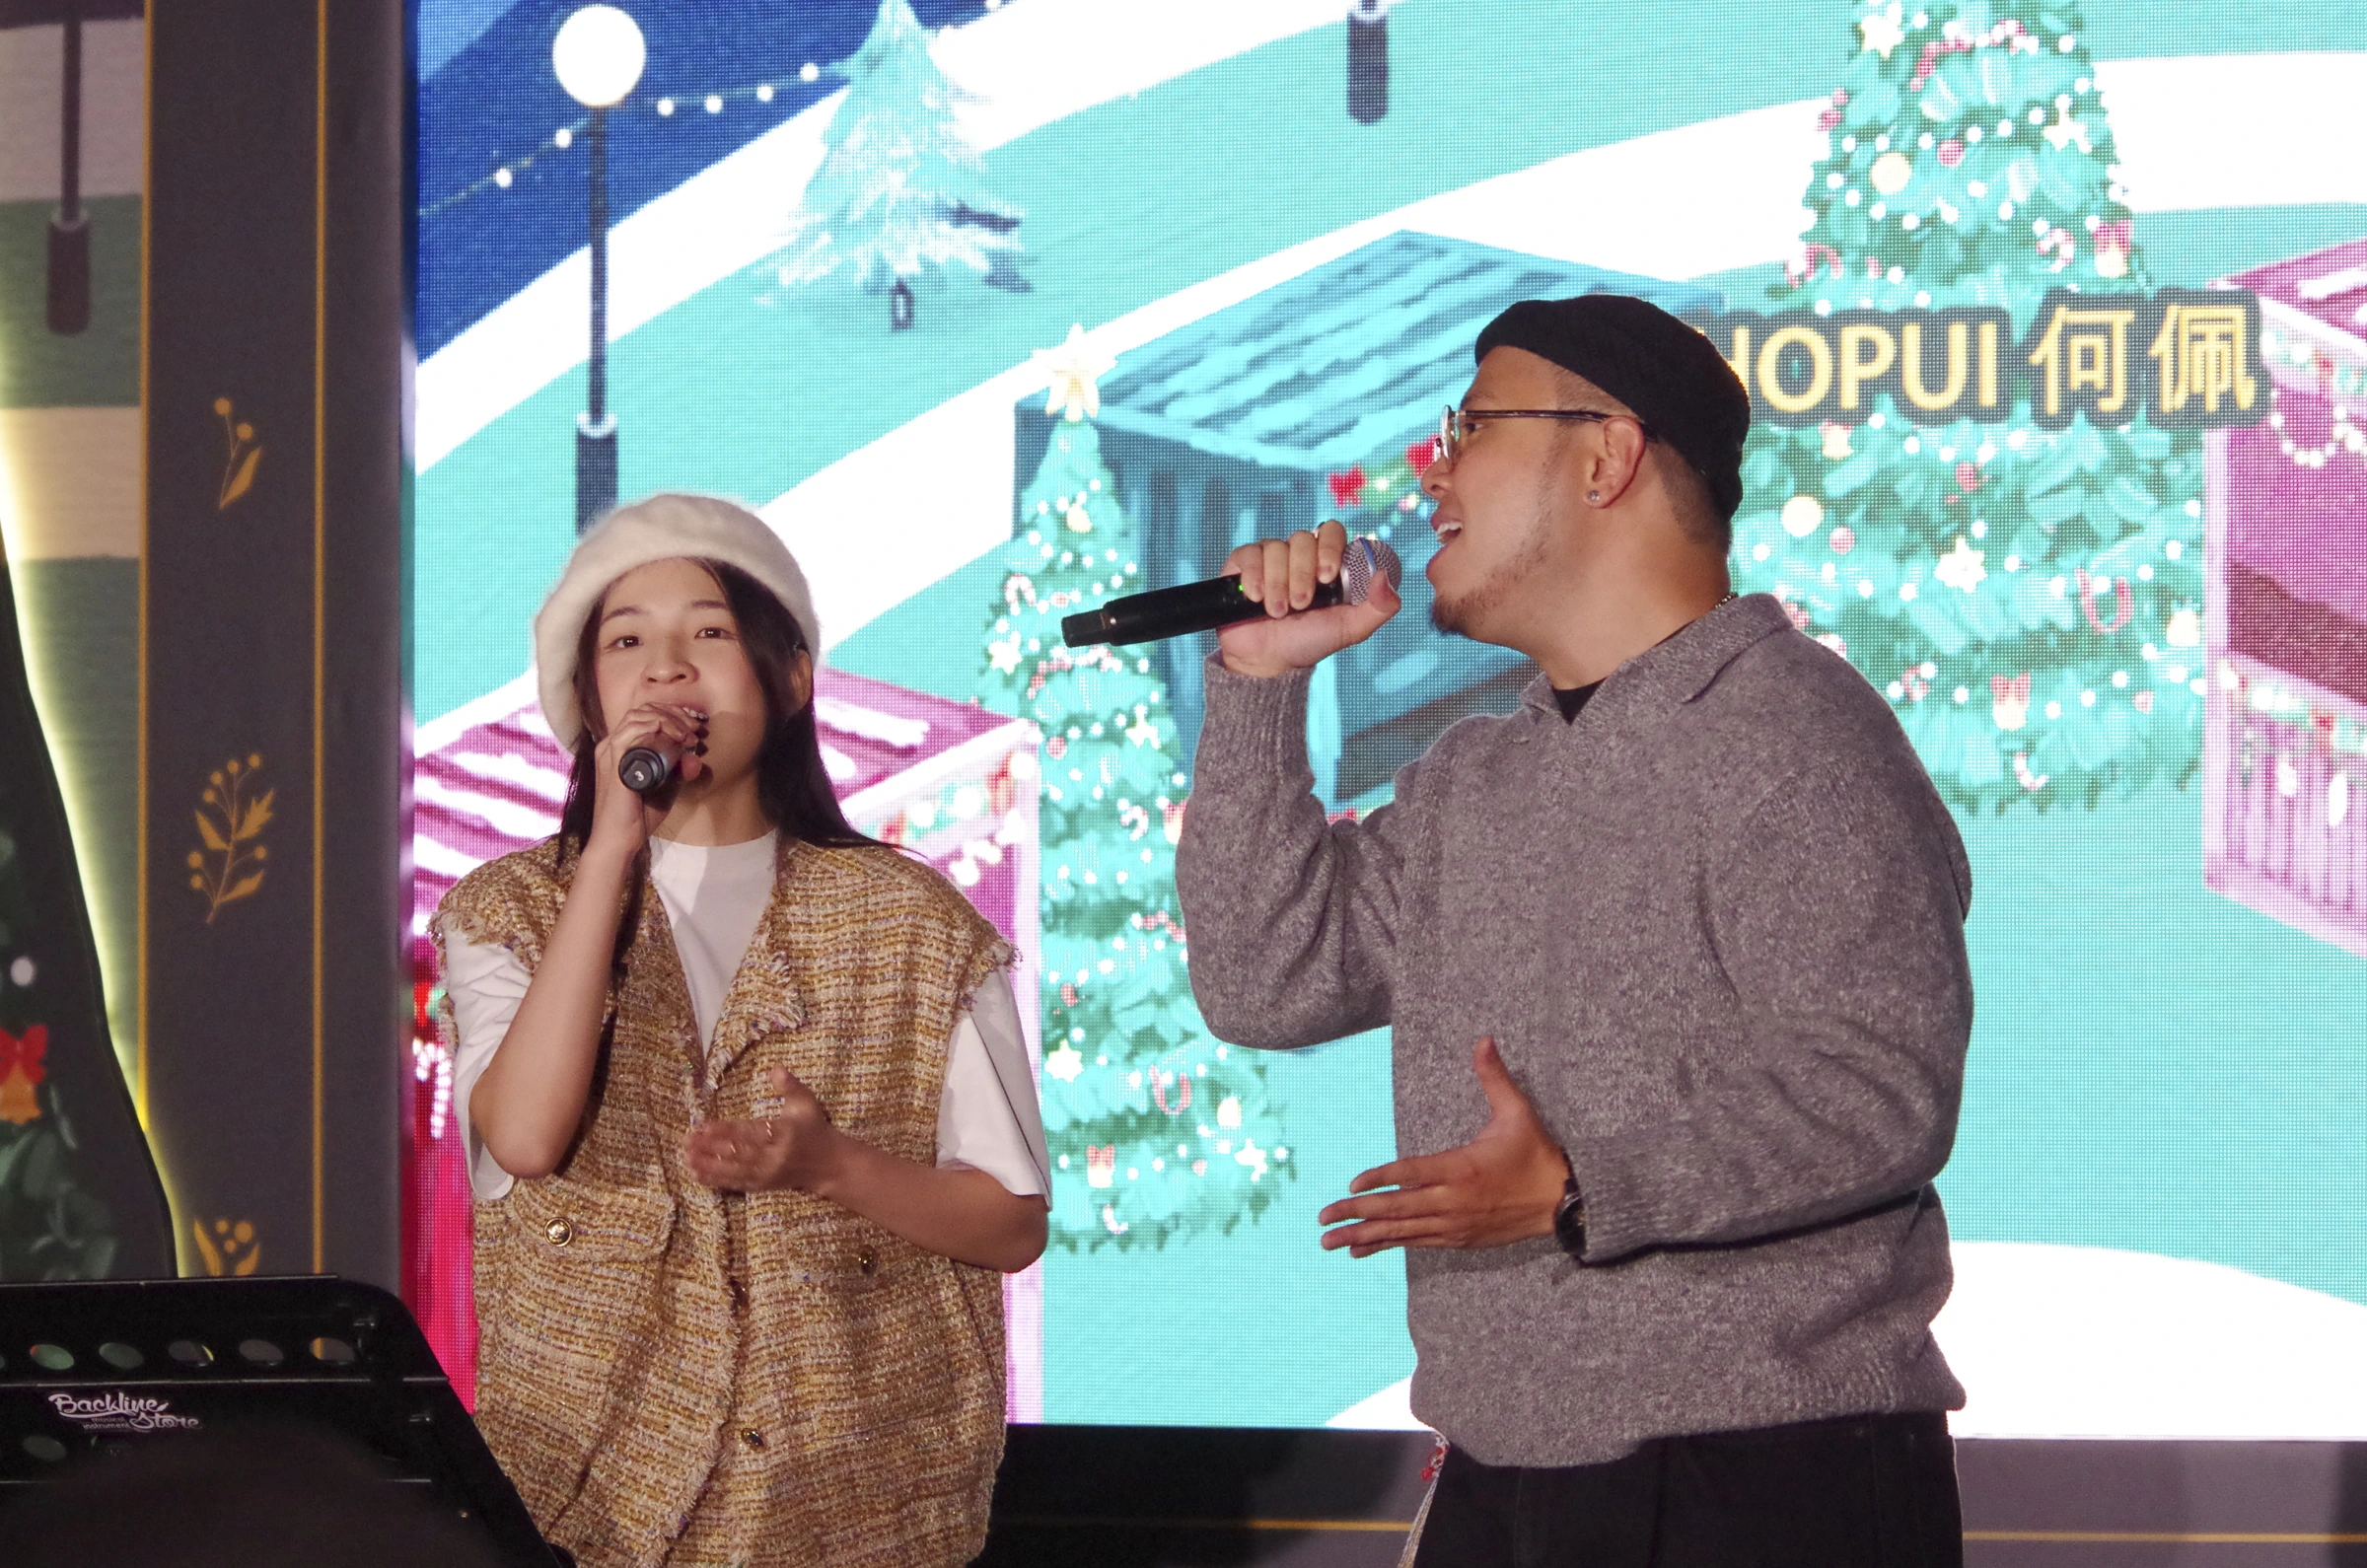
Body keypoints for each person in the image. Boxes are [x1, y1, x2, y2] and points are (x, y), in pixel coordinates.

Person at [1174, 295, 1973, 1566]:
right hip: (1505, 1473)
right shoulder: (1476, 780)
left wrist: (1578, 1189)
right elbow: (1269, 979)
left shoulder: (1798, 739)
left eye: (1472, 428)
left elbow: (1875, 1094)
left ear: (1607, 456)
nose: (1432, 469)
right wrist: (1261, 683)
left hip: (1758, 1481)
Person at [435, 493, 1049, 1568]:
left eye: (709, 632)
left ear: (791, 676)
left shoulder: (911, 920)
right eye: (627, 643)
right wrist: (608, 852)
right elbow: (523, 1138)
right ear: (587, 701)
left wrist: (833, 1167)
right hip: (589, 1511)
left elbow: (1010, 1223)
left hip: (854, 1511)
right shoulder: (508, 911)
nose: (667, 670)